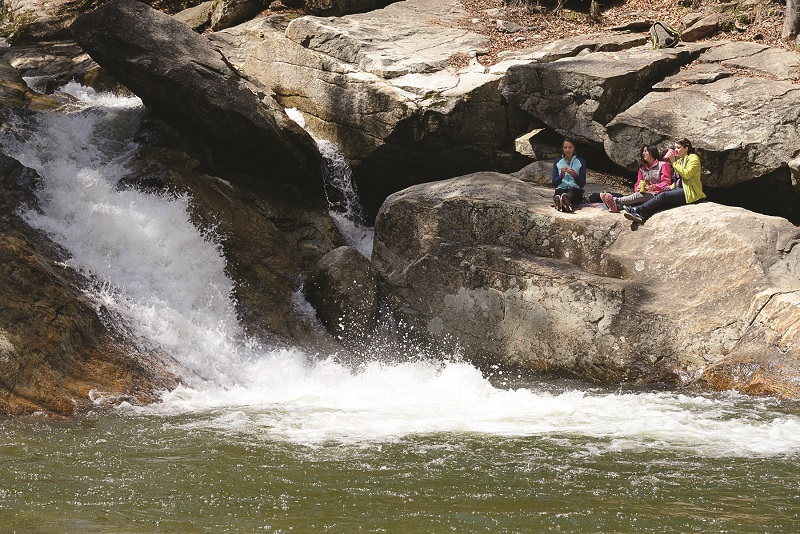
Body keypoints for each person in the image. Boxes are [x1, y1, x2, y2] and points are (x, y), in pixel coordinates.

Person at [623, 138, 706, 224]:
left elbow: (687, 174)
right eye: (675, 148)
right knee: (660, 201)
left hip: (690, 192)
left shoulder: (693, 158)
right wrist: (666, 188)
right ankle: (641, 216)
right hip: (679, 189)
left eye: (678, 147)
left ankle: (638, 209)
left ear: (686, 148)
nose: (675, 150)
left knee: (663, 196)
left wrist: (673, 162)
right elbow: (678, 181)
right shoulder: (680, 161)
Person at [600, 145, 673, 213]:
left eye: (645, 151)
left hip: (658, 194)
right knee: (638, 197)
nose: (643, 153)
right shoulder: (642, 168)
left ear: (651, 152)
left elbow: (667, 183)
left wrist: (654, 187)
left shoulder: (663, 165)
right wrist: (637, 188)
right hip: (645, 194)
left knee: (637, 197)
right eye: (642, 152)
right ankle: (617, 207)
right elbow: (638, 182)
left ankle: (615, 200)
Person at [551, 137, 587, 212]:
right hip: (561, 189)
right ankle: (564, 203)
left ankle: (561, 203)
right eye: (565, 147)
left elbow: (582, 183)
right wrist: (561, 175)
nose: (568, 150)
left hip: (575, 190)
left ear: (574, 148)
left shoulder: (581, 162)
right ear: (562, 148)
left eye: (570, 147)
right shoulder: (557, 162)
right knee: (560, 193)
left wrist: (574, 175)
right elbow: (555, 183)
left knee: (570, 193)